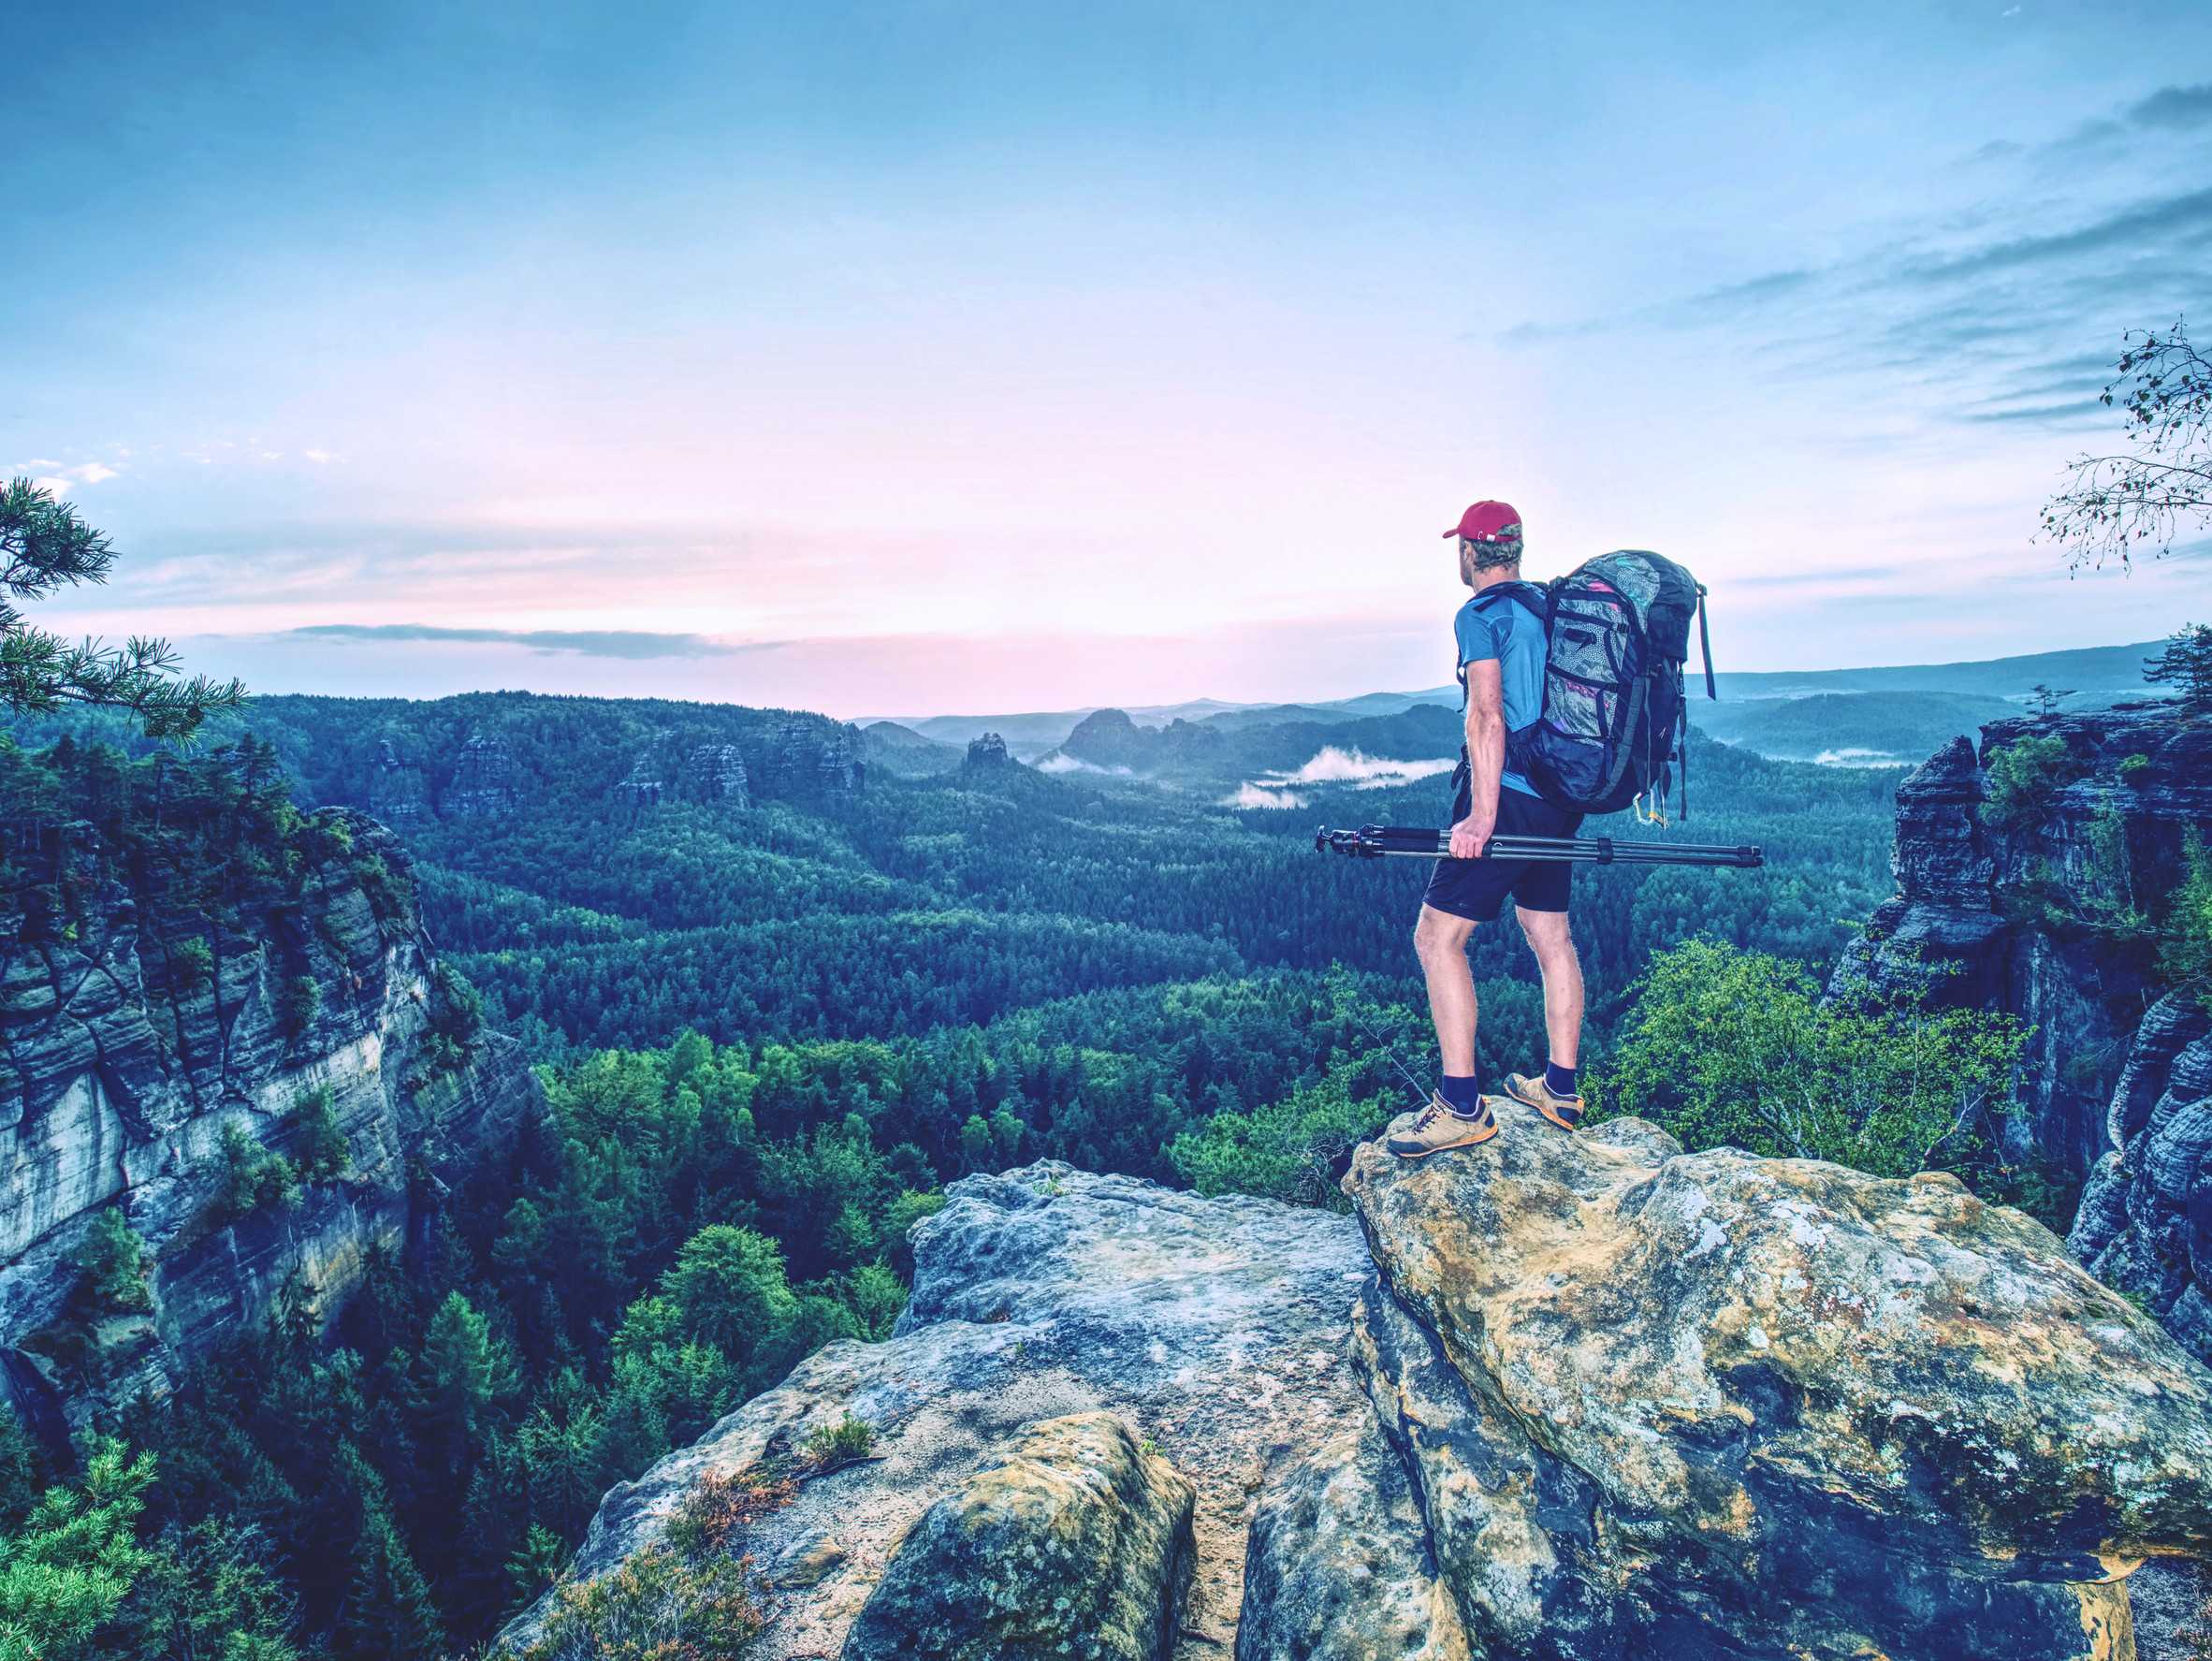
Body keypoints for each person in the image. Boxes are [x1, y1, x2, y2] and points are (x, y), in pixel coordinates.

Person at [1387, 500, 1588, 1158]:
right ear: (1517, 549)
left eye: (1461, 547)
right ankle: (1561, 1090)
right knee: (1549, 933)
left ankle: (1461, 1106)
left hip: (1511, 795)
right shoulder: (1548, 607)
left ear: (1470, 551)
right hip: (1561, 795)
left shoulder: (1480, 614)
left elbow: (1487, 715)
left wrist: (1482, 813)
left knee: (1436, 938)